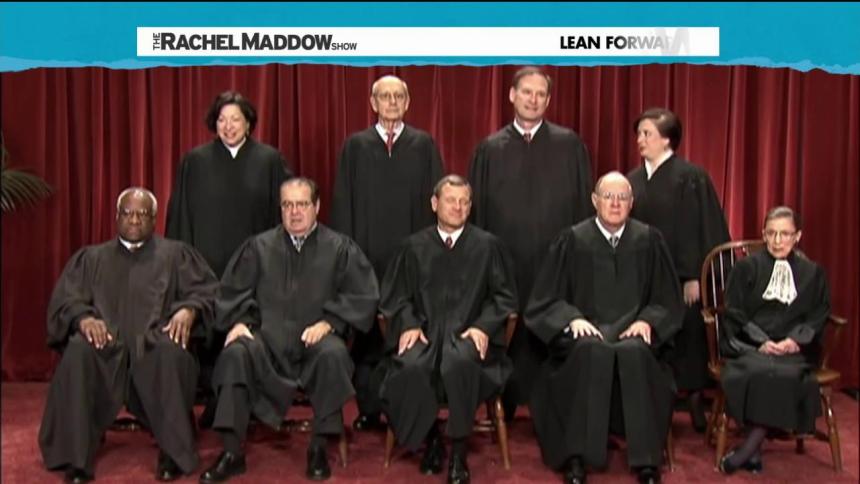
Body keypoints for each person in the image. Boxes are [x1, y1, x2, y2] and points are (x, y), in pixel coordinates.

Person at [199, 177, 379, 483]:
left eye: (302, 204)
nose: (295, 212)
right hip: (266, 343)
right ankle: (231, 452)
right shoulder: (258, 247)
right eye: (288, 205)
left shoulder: (339, 249)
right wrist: (241, 322)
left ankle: (319, 447)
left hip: (315, 344)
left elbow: (363, 296)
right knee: (236, 354)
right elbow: (232, 293)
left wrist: (330, 323)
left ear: (316, 207)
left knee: (333, 355)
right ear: (280, 208)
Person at [39, 188, 219, 484]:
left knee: (171, 350)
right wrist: (84, 319)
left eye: (142, 214)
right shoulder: (92, 258)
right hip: (105, 348)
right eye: (128, 213)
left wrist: (189, 310)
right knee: (79, 350)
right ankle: (77, 457)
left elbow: (209, 294)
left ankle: (173, 451)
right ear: (117, 216)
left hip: (155, 344)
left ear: (154, 218)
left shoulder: (176, 255)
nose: (134, 219)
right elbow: (66, 301)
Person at [526, 172, 682, 484]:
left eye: (622, 197)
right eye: (608, 196)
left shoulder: (649, 239)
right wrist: (572, 318)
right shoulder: (572, 240)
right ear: (594, 200)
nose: (615, 203)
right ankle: (577, 458)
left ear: (631, 203)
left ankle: (647, 462)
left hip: (633, 332)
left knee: (636, 352)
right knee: (590, 351)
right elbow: (545, 299)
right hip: (586, 333)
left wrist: (647, 321)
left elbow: (667, 298)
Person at [469, 66, 593, 418]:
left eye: (540, 94)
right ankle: (504, 400)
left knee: (553, 325)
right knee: (509, 326)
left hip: (555, 260)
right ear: (512, 95)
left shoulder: (569, 145)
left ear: (548, 100)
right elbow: (476, 216)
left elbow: (585, 207)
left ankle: (551, 405)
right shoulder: (489, 150)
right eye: (527, 92)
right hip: (505, 261)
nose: (533, 100)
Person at [378, 175, 518, 484]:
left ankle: (458, 450)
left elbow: (505, 298)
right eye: (451, 200)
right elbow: (395, 297)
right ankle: (430, 440)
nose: (458, 207)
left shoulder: (487, 246)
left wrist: (483, 327)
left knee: (460, 363)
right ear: (434, 203)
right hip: (425, 335)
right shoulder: (413, 247)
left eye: (464, 202)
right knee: (413, 366)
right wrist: (409, 323)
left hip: (467, 335)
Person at [165, 90, 292, 427]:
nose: (229, 126)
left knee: (247, 332)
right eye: (222, 120)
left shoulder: (269, 161)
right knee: (210, 332)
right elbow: (181, 217)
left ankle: (248, 400)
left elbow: (283, 216)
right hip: (206, 265)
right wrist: (183, 263)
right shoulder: (195, 161)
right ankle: (215, 400)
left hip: (254, 267)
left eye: (236, 119)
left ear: (248, 123)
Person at [330, 74, 444, 431]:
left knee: (407, 330)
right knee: (368, 336)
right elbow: (343, 203)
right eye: (385, 96)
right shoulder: (355, 146)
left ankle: (406, 409)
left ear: (407, 103)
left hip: (413, 260)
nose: (392, 102)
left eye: (398, 96)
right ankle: (369, 407)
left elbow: (437, 204)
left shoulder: (423, 145)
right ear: (373, 103)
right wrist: (347, 257)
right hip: (366, 257)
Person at [627, 107, 731, 432]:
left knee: (689, 335)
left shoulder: (691, 176)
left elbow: (700, 229)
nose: (640, 139)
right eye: (639, 133)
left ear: (667, 140)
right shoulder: (632, 180)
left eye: (647, 134)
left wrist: (694, 276)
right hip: (643, 277)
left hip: (683, 278)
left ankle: (695, 398)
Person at [718, 206, 830, 475]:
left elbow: (819, 313)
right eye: (772, 233)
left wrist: (794, 341)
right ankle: (752, 452)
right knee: (757, 371)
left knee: (783, 373)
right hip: (751, 345)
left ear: (797, 236)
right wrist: (760, 341)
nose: (778, 241)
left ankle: (747, 451)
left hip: (794, 349)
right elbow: (734, 311)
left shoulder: (813, 273)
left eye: (785, 234)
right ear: (763, 234)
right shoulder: (745, 267)